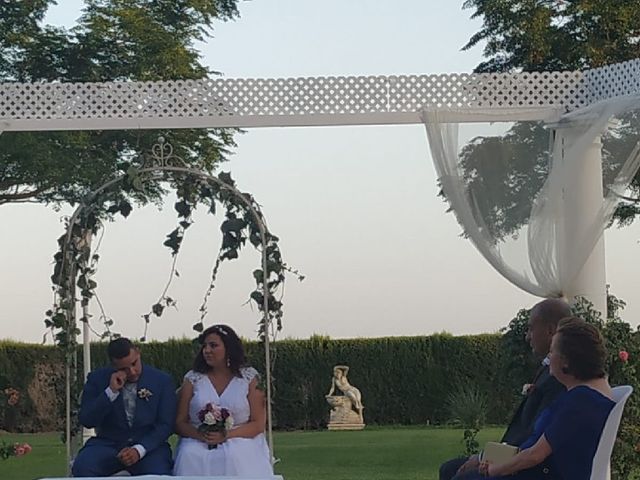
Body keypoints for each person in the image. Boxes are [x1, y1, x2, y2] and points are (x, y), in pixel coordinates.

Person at [440, 298, 570, 480]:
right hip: (521, 458)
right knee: (448, 468)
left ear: (550, 330)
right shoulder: (549, 376)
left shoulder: (558, 380)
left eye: (531, 328)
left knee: (461, 476)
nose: (527, 336)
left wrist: (486, 459)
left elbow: (532, 441)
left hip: (532, 470)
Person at [477, 317, 614, 479]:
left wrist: (494, 470)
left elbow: (535, 455)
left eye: (552, 351)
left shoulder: (581, 401)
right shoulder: (584, 396)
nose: (548, 357)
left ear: (566, 361)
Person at [173, 324, 274, 477]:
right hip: (198, 440)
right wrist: (201, 435)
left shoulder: (249, 378)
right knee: (190, 454)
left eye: (213, 345)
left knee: (233, 456)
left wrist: (226, 435)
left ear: (228, 348)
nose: (207, 350)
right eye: (205, 346)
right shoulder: (193, 378)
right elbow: (180, 422)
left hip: (240, 438)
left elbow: (258, 424)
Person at [72, 337, 176, 477]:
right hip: (108, 444)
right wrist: (110, 392)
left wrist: (139, 450)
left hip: (148, 447)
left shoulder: (162, 381)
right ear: (113, 366)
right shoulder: (97, 379)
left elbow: (165, 424)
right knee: (83, 466)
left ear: (138, 353)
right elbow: (87, 420)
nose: (132, 372)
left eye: (134, 364)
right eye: (124, 369)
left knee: (158, 474)